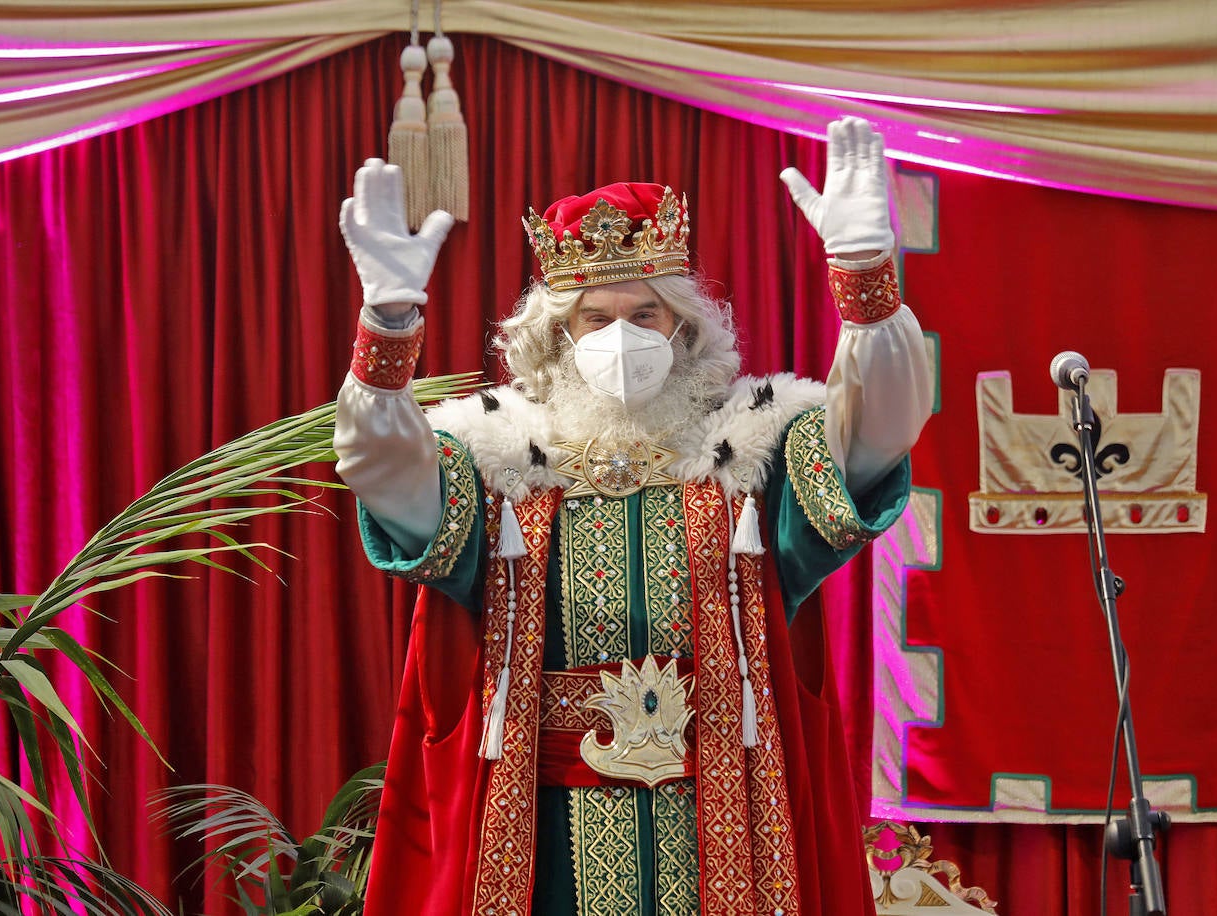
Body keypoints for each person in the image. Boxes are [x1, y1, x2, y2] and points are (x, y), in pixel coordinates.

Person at [334, 117, 932, 916]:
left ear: (682, 328)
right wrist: (389, 331)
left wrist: (866, 288)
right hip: (541, 832)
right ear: (557, 334)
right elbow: (384, 473)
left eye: (644, 316)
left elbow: (877, 434)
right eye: (595, 318)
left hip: (727, 820)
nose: (621, 338)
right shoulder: (498, 454)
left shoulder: (749, 451)